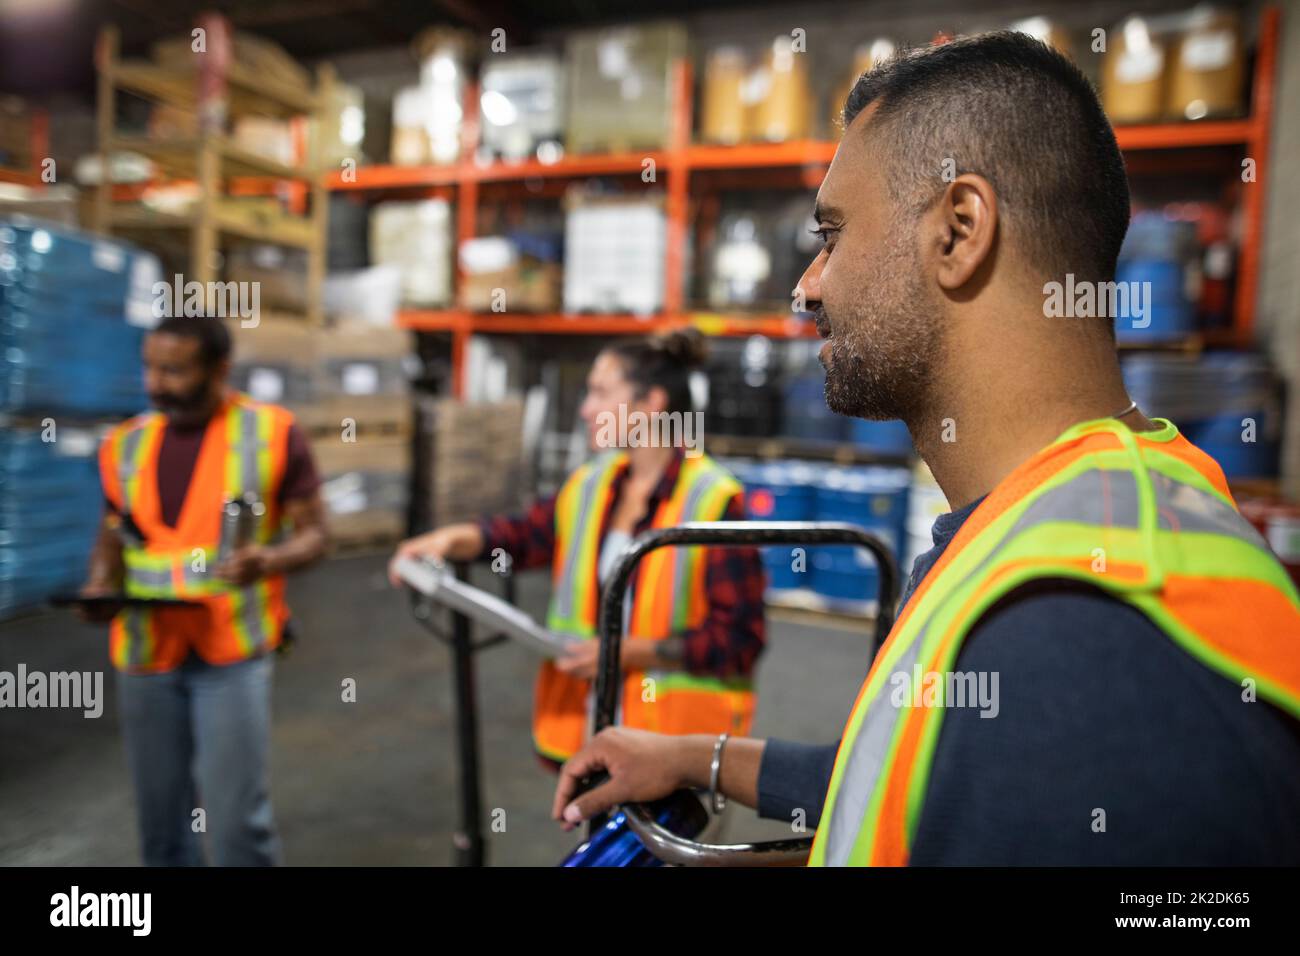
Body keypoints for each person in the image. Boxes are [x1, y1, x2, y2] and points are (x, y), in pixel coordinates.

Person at [550, 32, 1300, 866]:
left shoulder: (1082, 637)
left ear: (959, 229)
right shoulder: (1068, 522)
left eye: (831, 235)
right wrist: (698, 758)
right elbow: (934, 775)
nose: (807, 286)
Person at [391, 329, 766, 767]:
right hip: (592, 737)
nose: (586, 409)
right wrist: (453, 539)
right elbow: (524, 535)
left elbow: (739, 641)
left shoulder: (712, 500)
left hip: (677, 756)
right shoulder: (593, 483)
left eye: (600, 393)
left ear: (651, 403)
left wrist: (626, 653)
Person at [80, 316, 328, 866]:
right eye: (149, 367)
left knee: (239, 823)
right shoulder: (126, 444)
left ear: (219, 369)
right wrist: (100, 584)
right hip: (147, 651)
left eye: (173, 370)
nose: (156, 383)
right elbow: (113, 529)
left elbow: (317, 536)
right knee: (161, 824)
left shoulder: (271, 434)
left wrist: (269, 559)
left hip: (230, 656)